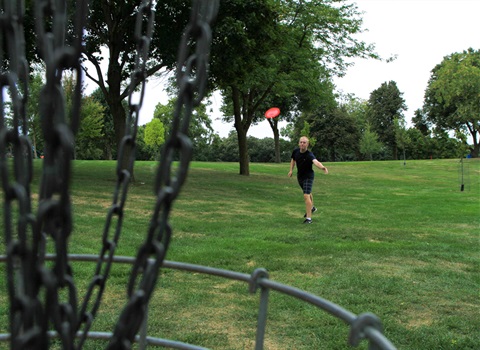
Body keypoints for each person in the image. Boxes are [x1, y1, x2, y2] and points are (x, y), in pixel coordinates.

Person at [288, 136, 328, 224]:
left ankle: (309, 219)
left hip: (308, 177)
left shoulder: (309, 155)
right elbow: (293, 160)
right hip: (300, 176)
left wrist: (322, 167)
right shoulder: (296, 151)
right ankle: (312, 207)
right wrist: (291, 170)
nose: (302, 144)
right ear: (299, 143)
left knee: (306, 195)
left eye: (304, 142)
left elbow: (316, 162)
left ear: (307, 144)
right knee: (308, 193)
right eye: (301, 142)